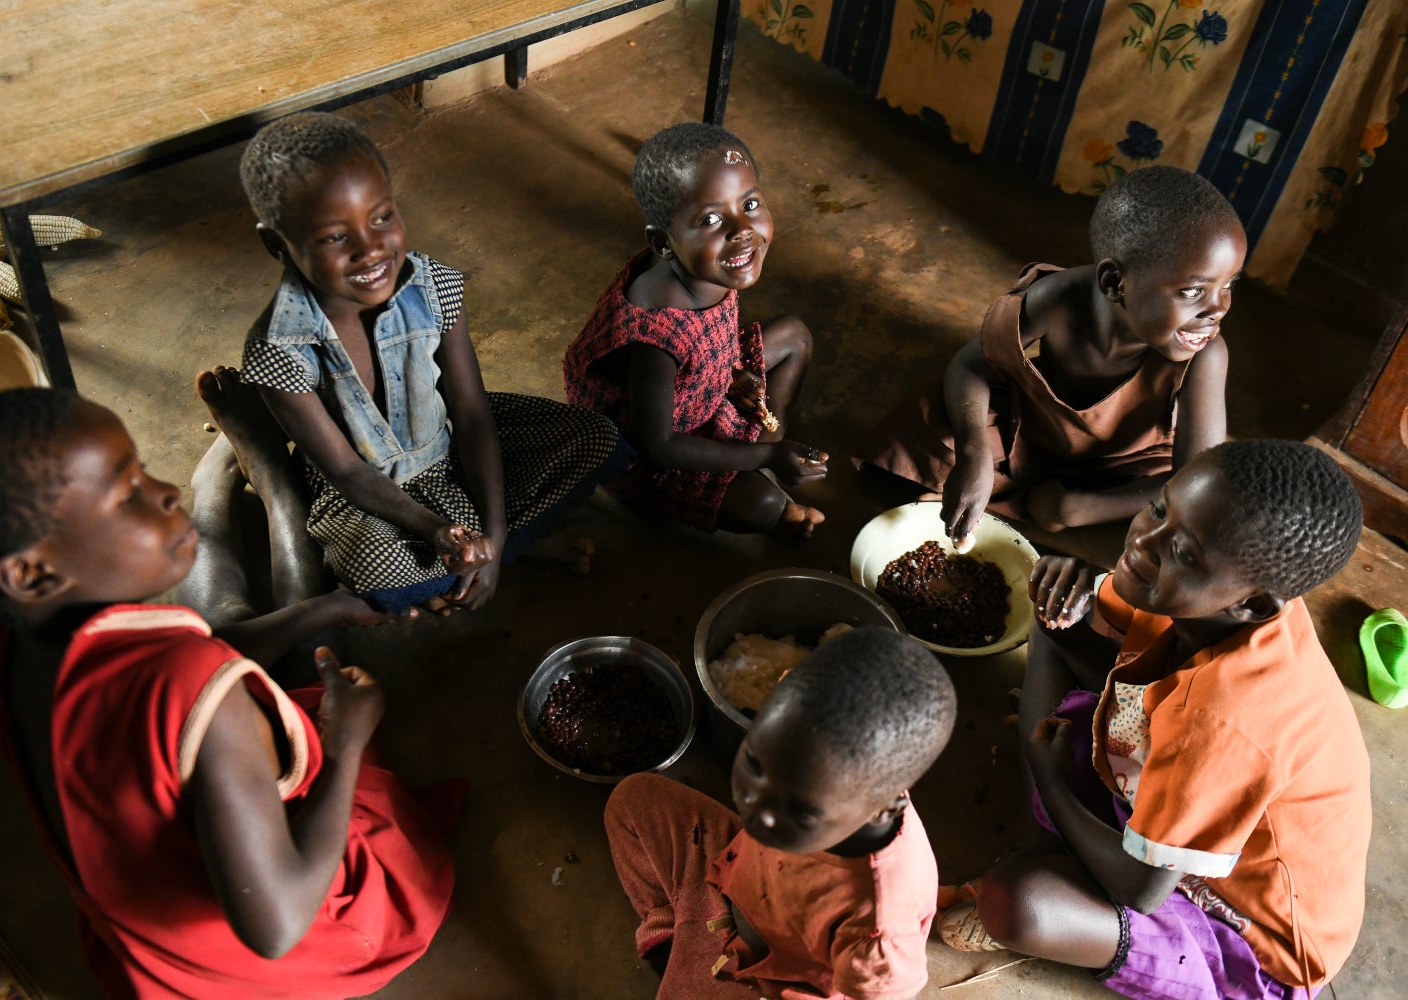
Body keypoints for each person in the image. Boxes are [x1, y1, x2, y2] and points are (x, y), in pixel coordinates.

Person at [0, 387, 461, 998]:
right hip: (287, 945)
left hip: (149, 939)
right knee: (306, 668)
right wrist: (344, 748)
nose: (160, 489)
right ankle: (270, 486)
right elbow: (277, 925)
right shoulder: (192, 686)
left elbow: (204, 656)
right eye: (128, 493)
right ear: (33, 572)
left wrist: (322, 609)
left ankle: (239, 490)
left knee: (251, 626)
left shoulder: (12, 639)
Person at [938, 440, 1369, 999]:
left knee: (1019, 902)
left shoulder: (1225, 721)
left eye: (1184, 553)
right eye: (1161, 508)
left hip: (1243, 931)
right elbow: (1103, 642)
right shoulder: (1211, 592)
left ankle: (1060, 833)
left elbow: (1142, 888)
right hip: (1175, 806)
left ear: (1254, 606)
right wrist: (1064, 592)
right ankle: (1067, 830)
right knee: (1053, 625)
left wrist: (1048, 777)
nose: (1143, 542)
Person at [238, 111, 621, 614]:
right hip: (369, 494)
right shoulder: (277, 349)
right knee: (375, 570)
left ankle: (482, 560)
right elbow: (348, 471)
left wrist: (496, 538)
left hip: (446, 449)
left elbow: (472, 414)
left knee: (597, 440)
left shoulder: (433, 286)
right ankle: (482, 557)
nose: (371, 248)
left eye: (382, 217)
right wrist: (437, 530)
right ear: (276, 244)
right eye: (335, 236)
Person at [855, 165, 1243, 548]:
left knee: (1187, 524)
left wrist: (1081, 509)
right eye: (1194, 291)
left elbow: (1194, 479)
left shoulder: (1206, 354)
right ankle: (996, 490)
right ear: (1114, 283)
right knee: (926, 423)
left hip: (1128, 462)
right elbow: (970, 366)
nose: (1218, 308)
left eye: (1228, 285)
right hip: (1033, 428)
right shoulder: (1058, 300)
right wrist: (973, 456)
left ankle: (1038, 507)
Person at [605, 627, 956, 998]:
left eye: (801, 810)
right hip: (732, 882)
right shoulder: (826, 777)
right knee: (633, 799)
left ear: (882, 808)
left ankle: (692, 950)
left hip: (771, 973)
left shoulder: (879, 927)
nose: (759, 813)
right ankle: (676, 932)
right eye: (755, 764)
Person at [563, 122, 828, 540]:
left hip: (702, 386)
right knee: (766, 506)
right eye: (710, 218)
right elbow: (659, 444)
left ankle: (758, 455)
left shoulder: (704, 265)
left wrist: (732, 374)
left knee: (794, 336)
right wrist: (773, 453)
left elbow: (711, 342)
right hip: (651, 454)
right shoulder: (655, 336)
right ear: (663, 243)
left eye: (751, 204)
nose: (743, 230)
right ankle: (765, 460)